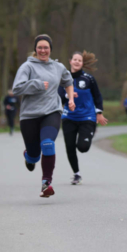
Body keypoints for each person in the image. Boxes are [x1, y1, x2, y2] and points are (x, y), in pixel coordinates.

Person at [12, 34, 75, 198]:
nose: (43, 50)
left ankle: (46, 183)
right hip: (29, 115)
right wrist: (37, 85)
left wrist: (71, 99)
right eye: (39, 47)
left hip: (52, 111)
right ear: (35, 49)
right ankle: (29, 156)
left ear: (50, 49)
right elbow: (17, 88)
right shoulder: (27, 67)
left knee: (48, 144)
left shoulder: (58, 67)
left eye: (46, 47)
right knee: (34, 156)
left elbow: (68, 81)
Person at [58, 50, 108, 185]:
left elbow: (97, 96)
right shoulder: (63, 78)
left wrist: (99, 112)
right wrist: (68, 96)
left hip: (87, 117)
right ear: (70, 61)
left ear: (82, 63)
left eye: (79, 60)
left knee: (83, 147)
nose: (77, 62)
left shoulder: (89, 79)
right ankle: (76, 174)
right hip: (69, 117)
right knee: (69, 146)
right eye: (75, 59)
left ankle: (89, 133)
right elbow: (59, 97)